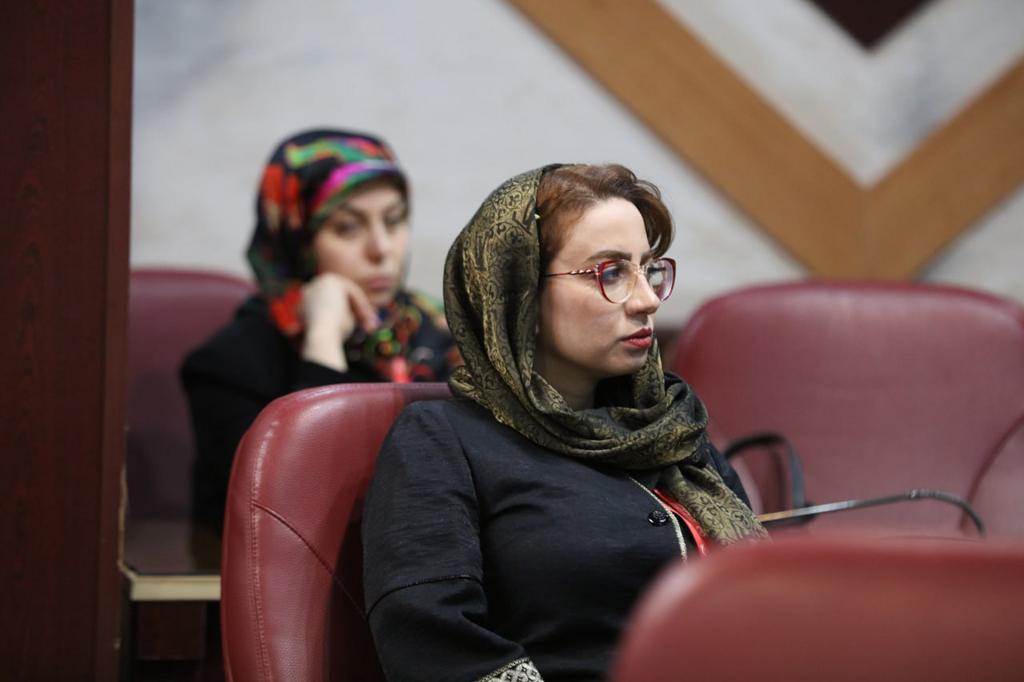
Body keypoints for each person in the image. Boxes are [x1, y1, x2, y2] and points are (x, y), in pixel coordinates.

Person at [362, 163, 767, 682]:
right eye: (611, 273)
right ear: (519, 292)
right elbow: (429, 635)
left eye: (648, 269)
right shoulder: (443, 439)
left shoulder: (672, 428)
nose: (646, 299)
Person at [182, 129, 460, 535]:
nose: (382, 249)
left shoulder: (439, 335)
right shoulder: (229, 366)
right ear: (298, 238)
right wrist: (323, 340)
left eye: (394, 220)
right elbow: (288, 513)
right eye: (347, 227)